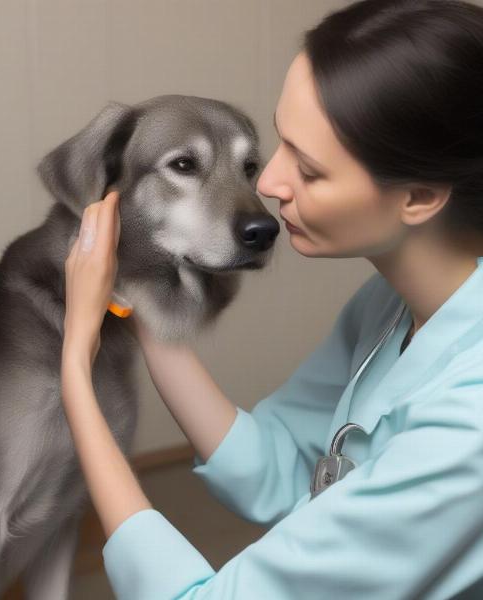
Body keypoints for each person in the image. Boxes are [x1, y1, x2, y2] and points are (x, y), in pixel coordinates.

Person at [60, 0, 483, 597]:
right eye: (278, 144)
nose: (267, 185)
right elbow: (278, 470)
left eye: (308, 171)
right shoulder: (389, 306)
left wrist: (77, 363)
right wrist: (142, 300)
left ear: (418, 195)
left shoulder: (470, 426)